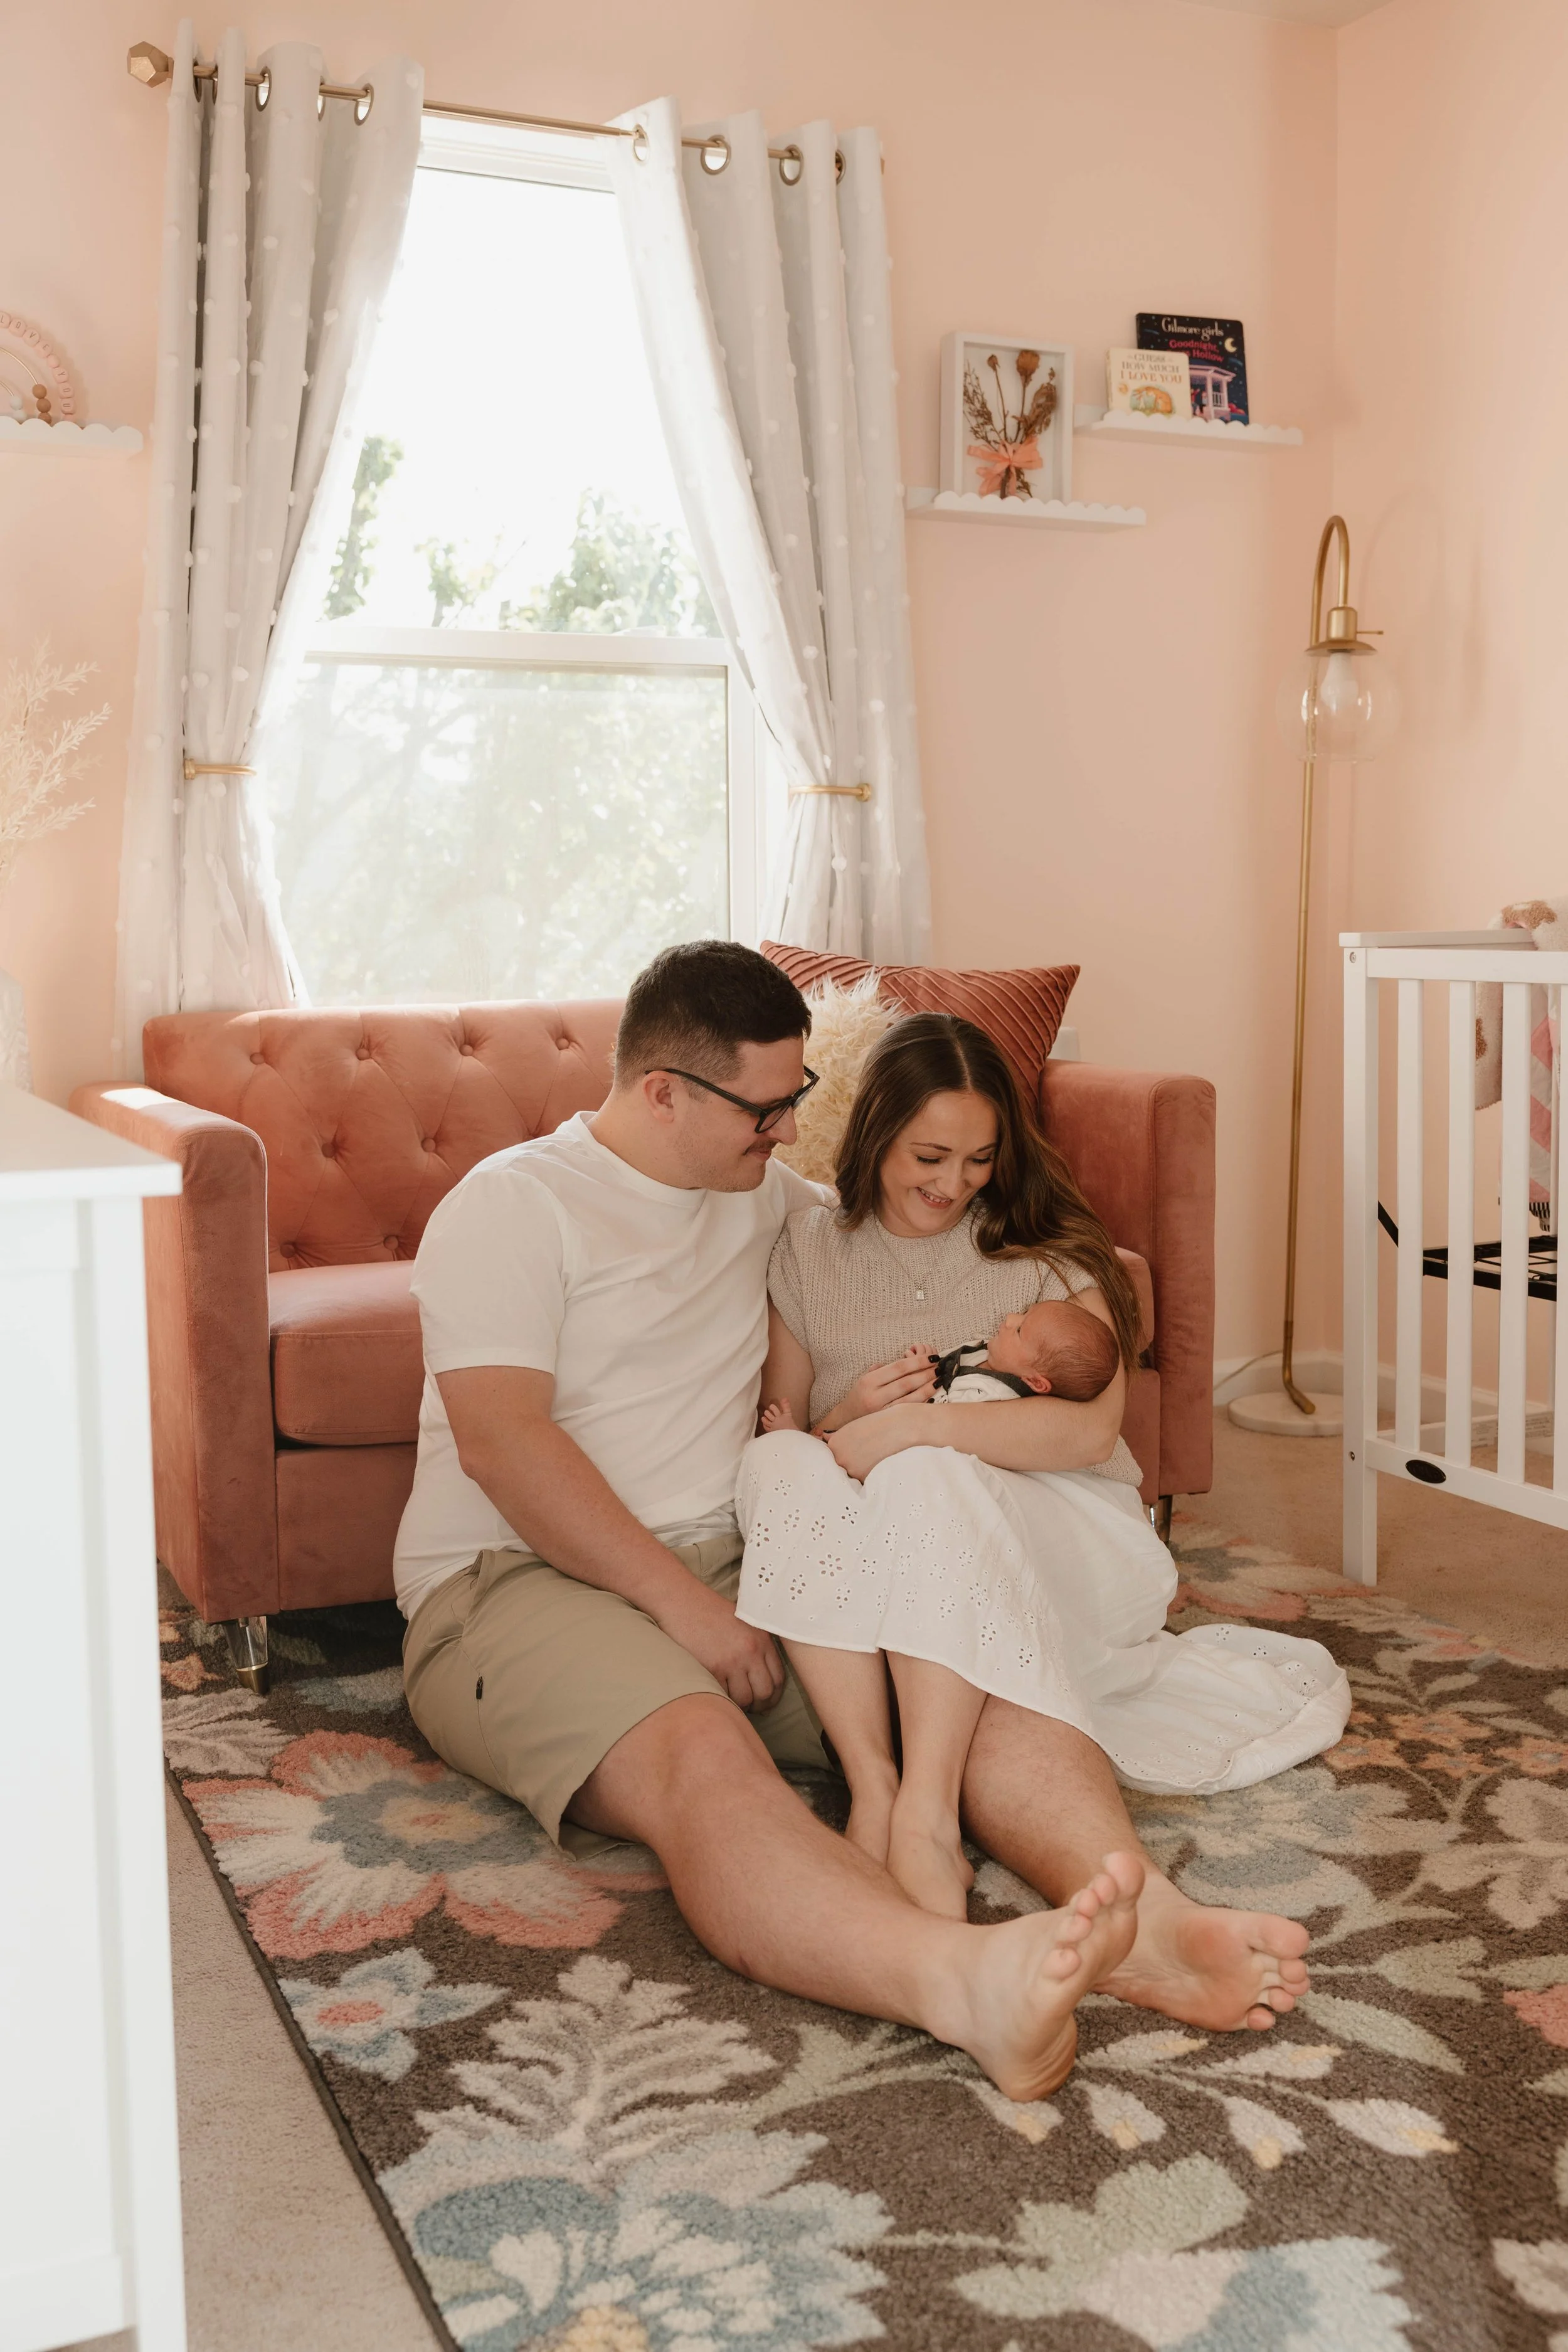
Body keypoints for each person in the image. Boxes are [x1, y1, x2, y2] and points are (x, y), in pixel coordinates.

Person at [395, 941, 1316, 2103]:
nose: (790, 1135)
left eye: (800, 1104)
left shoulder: (770, 1205)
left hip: (735, 1550)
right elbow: (506, 1446)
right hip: (513, 1581)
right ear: (663, 1090)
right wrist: (690, 1611)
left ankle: (1158, 1930)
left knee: (973, 1669)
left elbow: (926, 1246)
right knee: (703, 1756)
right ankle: (959, 1978)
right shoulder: (514, 1205)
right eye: (768, 1109)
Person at [733, 1012, 1351, 1925]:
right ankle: (874, 1785)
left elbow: (1087, 1438)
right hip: (888, 1549)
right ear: (876, 1135)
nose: (954, 1184)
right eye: (929, 1156)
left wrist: (912, 1431)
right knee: (777, 1461)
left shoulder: (1038, 1248)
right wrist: (857, 1414)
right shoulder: (809, 1250)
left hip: (1061, 1536)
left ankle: (929, 1812)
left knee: (925, 1470)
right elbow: (800, 1432)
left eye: (979, 1159)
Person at [758, 1296, 1120, 1434]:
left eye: (1020, 1328)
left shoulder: (995, 1396)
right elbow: (948, 1368)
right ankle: (804, 1443)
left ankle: (799, 1442)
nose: (1009, 1317)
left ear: (1036, 1382)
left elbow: (947, 1410)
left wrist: (918, 1395)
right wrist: (924, 1361)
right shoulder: (991, 1356)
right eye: (1021, 1314)